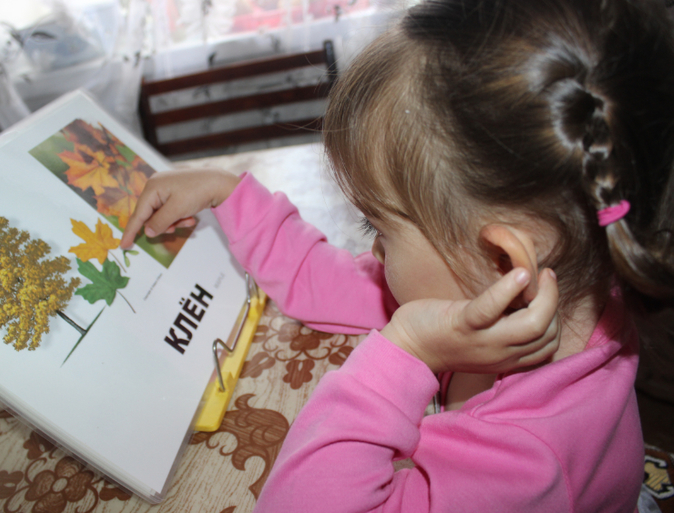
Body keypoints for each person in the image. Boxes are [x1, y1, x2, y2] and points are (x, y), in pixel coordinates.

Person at [121, 0, 674, 510]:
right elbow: (330, 282)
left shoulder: (525, 463)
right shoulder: (563, 268)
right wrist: (229, 194)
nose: (373, 247)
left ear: (505, 264)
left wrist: (406, 350)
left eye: (378, 226)